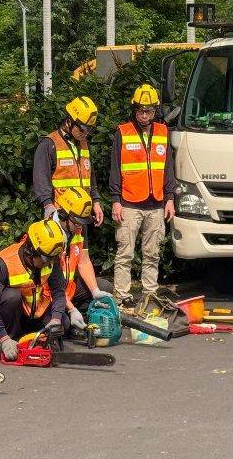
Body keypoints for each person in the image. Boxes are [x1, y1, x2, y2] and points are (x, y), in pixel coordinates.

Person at [109, 84, 175, 303]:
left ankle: (149, 294)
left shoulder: (163, 132)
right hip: (129, 202)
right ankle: (122, 296)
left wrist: (170, 199)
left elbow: (168, 168)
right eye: (140, 111)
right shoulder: (123, 132)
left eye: (148, 111)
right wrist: (116, 200)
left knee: (152, 253)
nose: (144, 115)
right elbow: (115, 168)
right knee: (125, 253)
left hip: (156, 203)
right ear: (134, 109)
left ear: (155, 110)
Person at [0, 219, 68, 363]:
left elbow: (59, 292)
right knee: (11, 297)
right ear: (30, 251)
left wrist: (56, 319)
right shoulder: (4, 263)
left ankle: (36, 338)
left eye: (53, 258)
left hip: (36, 312)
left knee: (64, 322)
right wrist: (3, 338)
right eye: (46, 259)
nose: (51, 263)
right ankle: (13, 340)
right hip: (15, 315)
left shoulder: (51, 258)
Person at [51, 186, 114, 336]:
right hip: (51, 294)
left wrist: (95, 290)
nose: (80, 226)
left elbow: (84, 261)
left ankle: (80, 318)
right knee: (62, 325)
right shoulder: (50, 235)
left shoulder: (77, 227)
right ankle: (70, 319)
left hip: (67, 288)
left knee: (104, 287)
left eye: (82, 222)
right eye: (77, 222)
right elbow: (50, 286)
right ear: (63, 216)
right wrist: (71, 309)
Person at [32, 95, 105, 226]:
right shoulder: (49, 144)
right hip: (60, 214)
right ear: (69, 122)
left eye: (88, 129)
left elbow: (90, 176)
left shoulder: (84, 143)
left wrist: (96, 201)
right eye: (82, 129)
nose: (85, 133)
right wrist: (48, 205)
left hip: (82, 214)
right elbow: (40, 179)